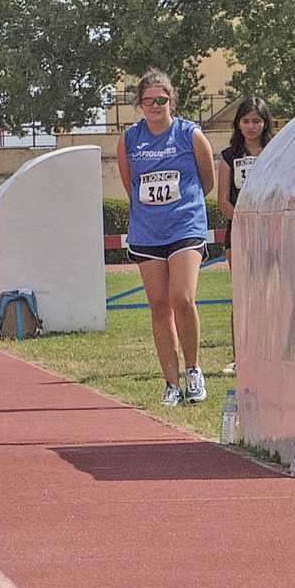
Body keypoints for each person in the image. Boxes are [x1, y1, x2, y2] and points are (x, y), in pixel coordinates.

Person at [116, 70, 216, 405]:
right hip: (147, 231)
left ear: (171, 100)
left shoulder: (190, 134)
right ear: (140, 104)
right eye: (149, 101)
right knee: (159, 306)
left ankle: (194, 371)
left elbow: (208, 181)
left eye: (161, 99)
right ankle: (171, 383)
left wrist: (181, 206)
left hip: (185, 225)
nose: (156, 105)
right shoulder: (130, 139)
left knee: (182, 298)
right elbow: (130, 184)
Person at [215, 94, 275, 373]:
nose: (251, 126)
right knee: (242, 295)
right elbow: (223, 200)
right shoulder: (229, 156)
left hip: (272, 232)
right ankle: (240, 357)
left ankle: (269, 353)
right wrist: (244, 222)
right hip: (238, 233)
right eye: (246, 121)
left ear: (265, 123)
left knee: (271, 294)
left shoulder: (277, 151)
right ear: (238, 124)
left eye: (256, 121)